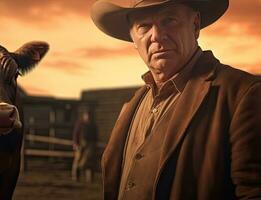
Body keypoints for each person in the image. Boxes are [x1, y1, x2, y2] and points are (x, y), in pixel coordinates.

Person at [91, 0, 261, 199]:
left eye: (169, 20)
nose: (156, 35)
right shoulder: (132, 105)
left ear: (195, 25)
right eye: (144, 26)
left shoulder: (243, 94)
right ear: (133, 38)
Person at [71, 110, 98, 183]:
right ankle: (75, 177)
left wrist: (94, 145)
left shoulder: (93, 125)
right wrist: (75, 143)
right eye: (87, 115)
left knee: (89, 161)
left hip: (90, 145)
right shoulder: (80, 124)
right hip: (80, 144)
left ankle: (90, 179)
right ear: (84, 116)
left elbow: (95, 136)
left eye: (89, 115)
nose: (88, 117)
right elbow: (76, 134)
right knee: (77, 160)